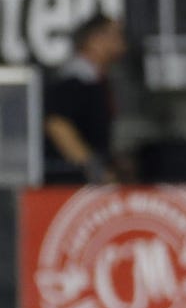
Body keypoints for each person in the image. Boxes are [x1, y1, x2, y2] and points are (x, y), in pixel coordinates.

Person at [43, 13, 127, 185]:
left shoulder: (97, 80)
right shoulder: (75, 80)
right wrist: (93, 167)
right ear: (95, 40)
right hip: (68, 184)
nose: (122, 41)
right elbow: (57, 124)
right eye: (116, 35)